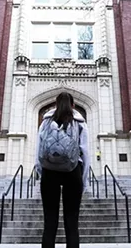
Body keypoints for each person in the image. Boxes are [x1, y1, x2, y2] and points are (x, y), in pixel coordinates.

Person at [35, 92, 90, 248]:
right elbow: (85, 153)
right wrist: (83, 180)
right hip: (73, 171)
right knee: (72, 222)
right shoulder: (80, 122)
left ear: (56, 104)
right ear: (73, 105)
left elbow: (38, 151)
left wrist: (42, 172)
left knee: (49, 223)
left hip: (49, 172)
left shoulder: (45, 121)